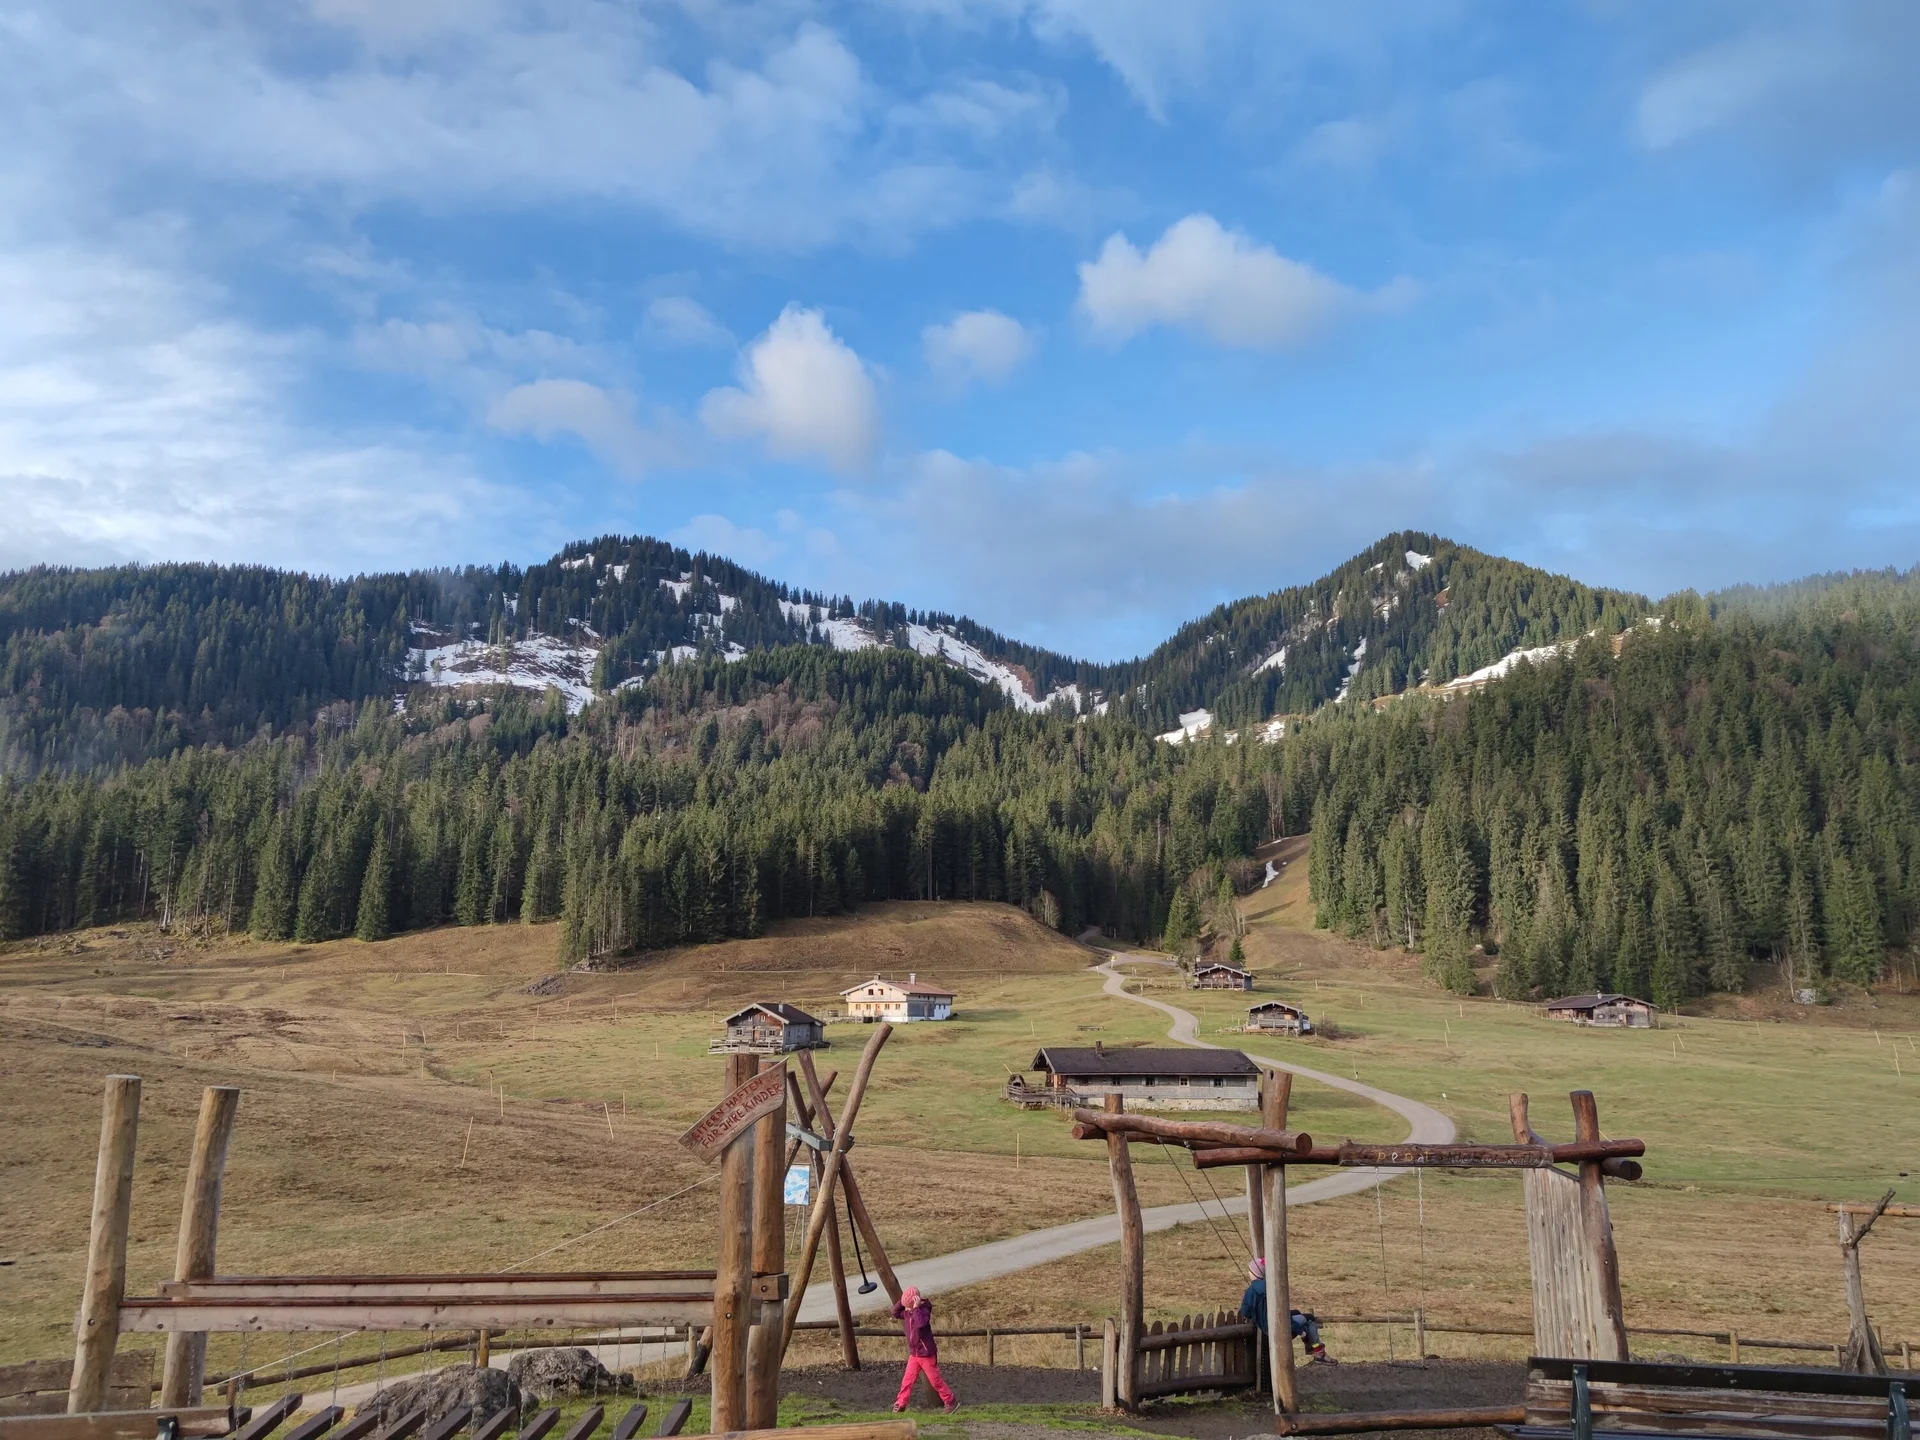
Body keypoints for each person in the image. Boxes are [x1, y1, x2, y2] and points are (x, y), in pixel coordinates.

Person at [1239, 1257, 1332, 1364]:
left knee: (1297, 1313)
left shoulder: (1250, 1291)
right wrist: (1300, 1331)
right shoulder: (1273, 1287)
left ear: (1255, 1274)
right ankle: (1318, 1351)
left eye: (1250, 1271)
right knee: (1309, 1319)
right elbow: (1281, 1314)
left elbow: (1245, 1312)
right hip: (1279, 1327)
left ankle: (1310, 1343)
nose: (1248, 1272)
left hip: (1267, 1327)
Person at [891, 1285, 957, 1412]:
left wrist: (915, 1308)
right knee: (907, 1380)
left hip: (926, 1353)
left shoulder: (924, 1310)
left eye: (907, 1306)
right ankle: (901, 1403)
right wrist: (903, 1299)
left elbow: (921, 1324)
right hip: (914, 1353)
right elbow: (894, 1312)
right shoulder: (908, 1312)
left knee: (935, 1380)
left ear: (915, 1302)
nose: (906, 1309)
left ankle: (950, 1401)